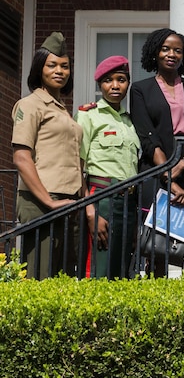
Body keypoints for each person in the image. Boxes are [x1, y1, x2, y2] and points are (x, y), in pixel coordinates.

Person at [131, 28, 184, 275]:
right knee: (157, 246)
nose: (171, 54)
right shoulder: (140, 89)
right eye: (165, 49)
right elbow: (147, 136)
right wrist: (167, 174)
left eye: (177, 50)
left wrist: (181, 167)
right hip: (156, 171)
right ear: (155, 53)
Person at [12, 32, 89, 279]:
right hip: (42, 201)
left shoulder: (62, 109)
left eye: (65, 66)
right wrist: (49, 201)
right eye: (52, 65)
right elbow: (21, 157)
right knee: (39, 279)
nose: (60, 71)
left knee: (62, 282)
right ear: (39, 68)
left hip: (69, 201)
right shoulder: (30, 104)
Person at [75, 55, 141, 279]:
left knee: (121, 271)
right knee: (98, 269)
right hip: (102, 197)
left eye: (121, 79)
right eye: (108, 80)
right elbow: (78, 165)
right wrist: (90, 210)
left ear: (128, 83)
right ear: (99, 84)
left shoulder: (130, 121)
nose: (115, 86)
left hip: (129, 202)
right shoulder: (88, 115)